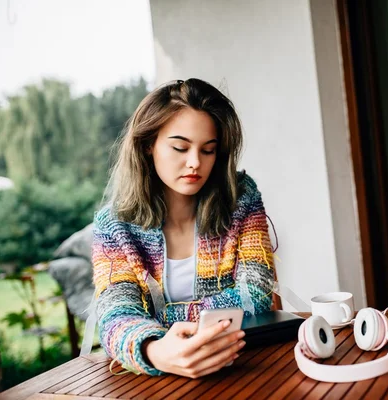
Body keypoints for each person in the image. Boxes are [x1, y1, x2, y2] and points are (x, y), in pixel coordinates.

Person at [92, 78, 275, 378]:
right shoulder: (114, 226)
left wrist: (158, 320)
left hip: (241, 369)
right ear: (148, 144)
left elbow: (255, 295)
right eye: (180, 147)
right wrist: (154, 350)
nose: (195, 163)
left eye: (208, 150)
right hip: (155, 381)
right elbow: (115, 314)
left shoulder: (241, 200)